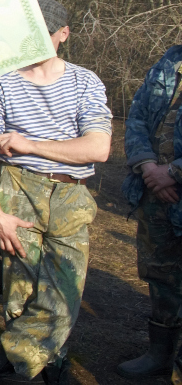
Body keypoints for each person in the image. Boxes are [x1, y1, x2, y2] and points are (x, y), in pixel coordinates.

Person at [0, 0, 112, 385]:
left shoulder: (85, 82)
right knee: (21, 297)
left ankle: (0, 365)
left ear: (63, 34)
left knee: (63, 295)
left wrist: (30, 144)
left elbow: (98, 147)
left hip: (70, 196)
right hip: (18, 188)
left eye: (44, 32)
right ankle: (45, 373)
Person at [116, 46, 182, 380]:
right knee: (159, 273)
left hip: (172, 181)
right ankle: (160, 355)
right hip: (154, 190)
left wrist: (174, 172)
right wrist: (148, 167)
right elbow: (138, 118)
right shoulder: (168, 63)